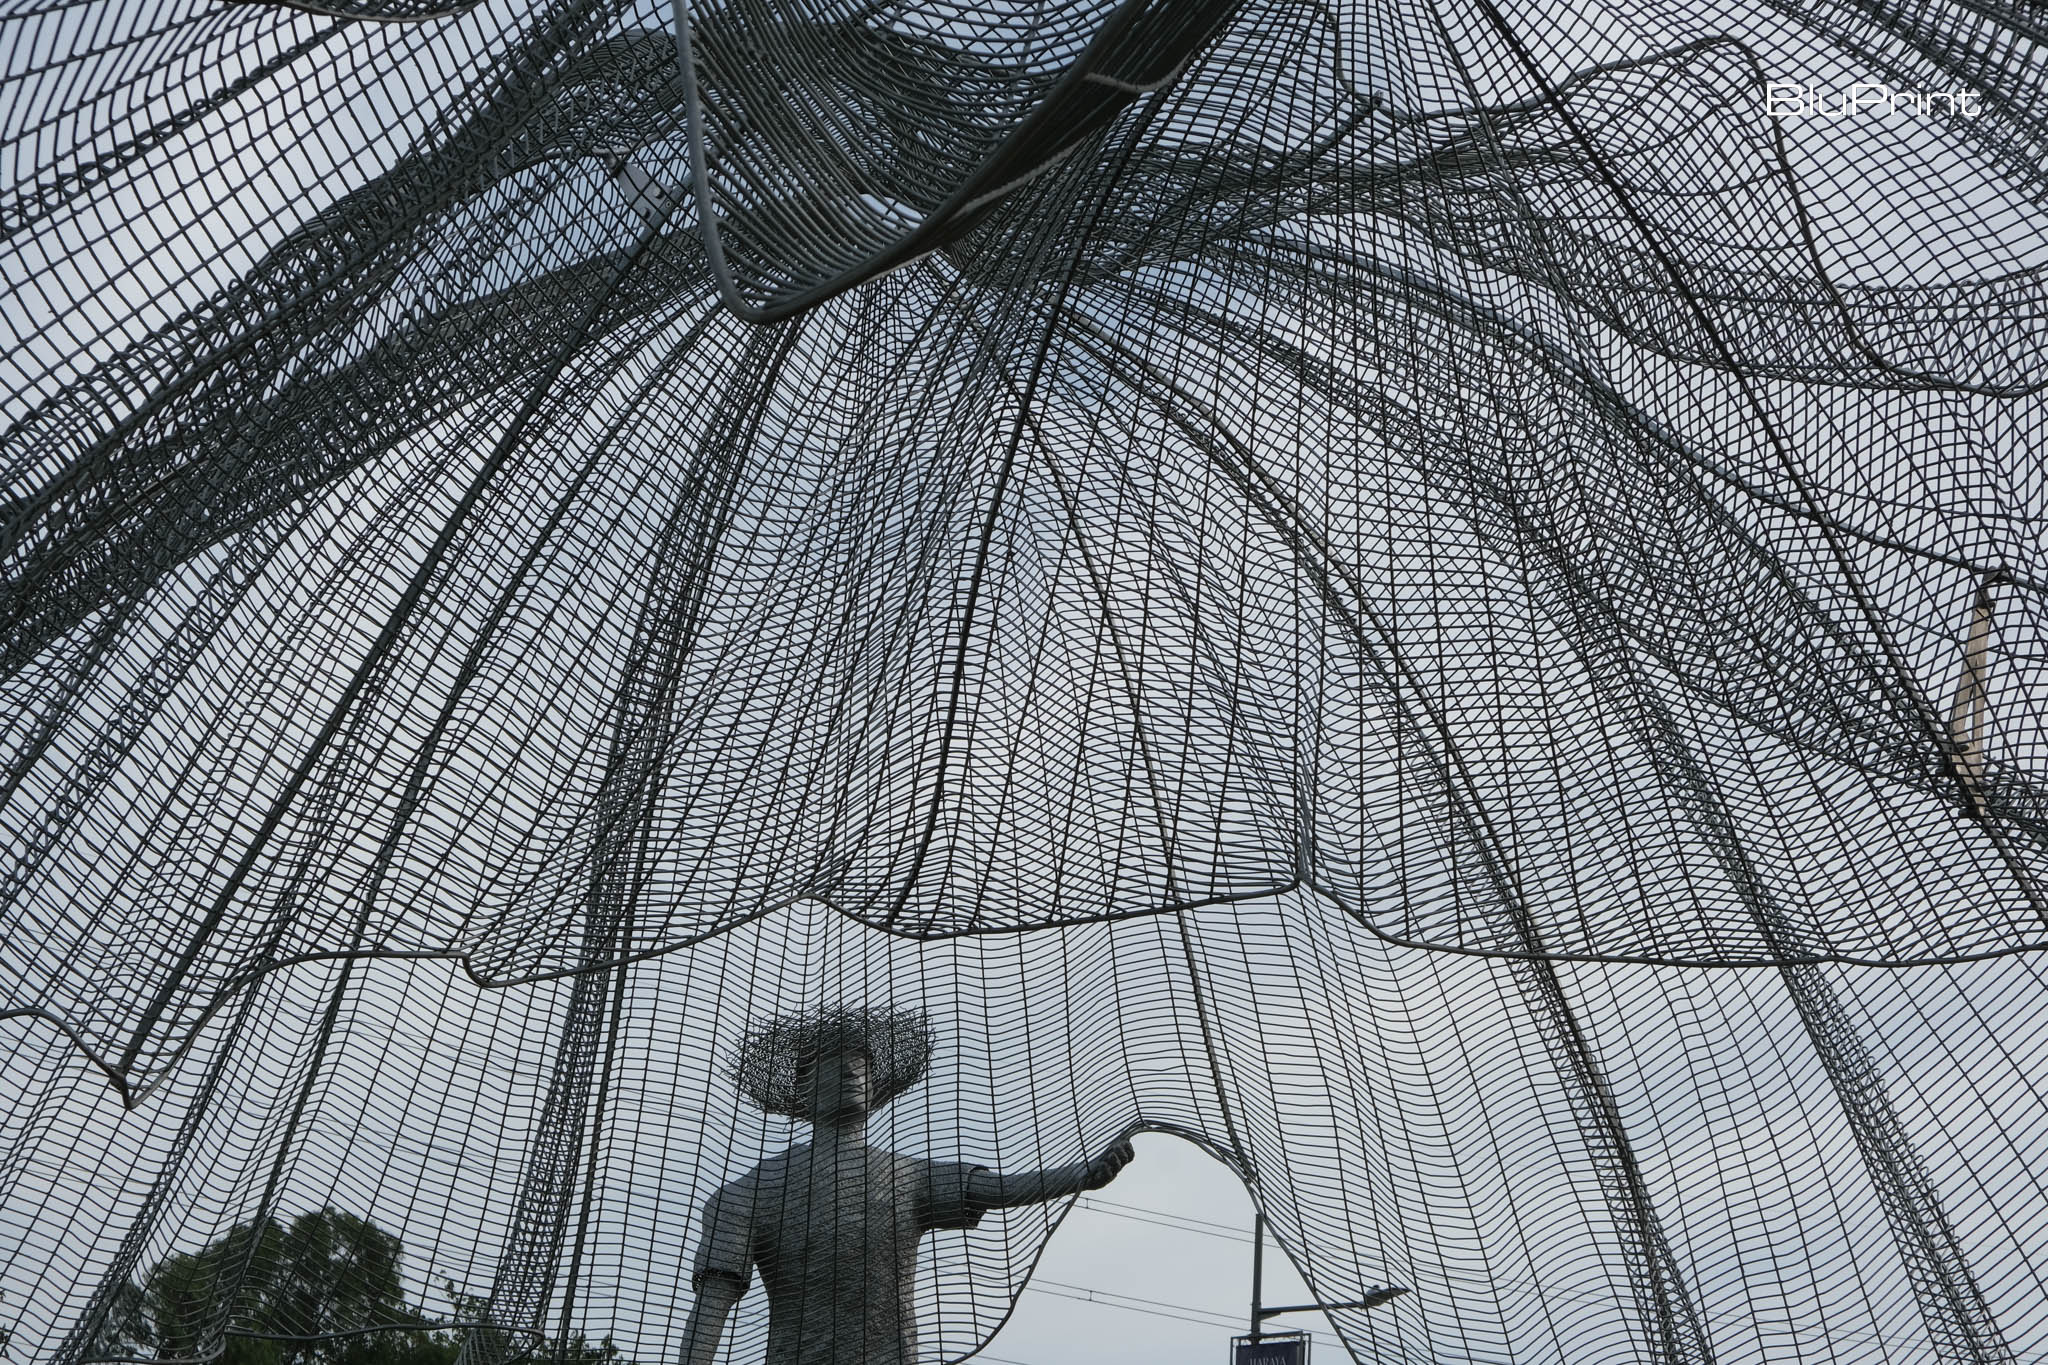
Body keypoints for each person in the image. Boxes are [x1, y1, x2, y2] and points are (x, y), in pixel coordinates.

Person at [680, 1008, 1134, 1365]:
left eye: (862, 1065)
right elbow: (713, 1302)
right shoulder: (748, 1194)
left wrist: (1080, 1175)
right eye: (833, 1063)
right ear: (803, 1089)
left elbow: (996, 1190)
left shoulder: (907, 1176)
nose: (852, 1073)